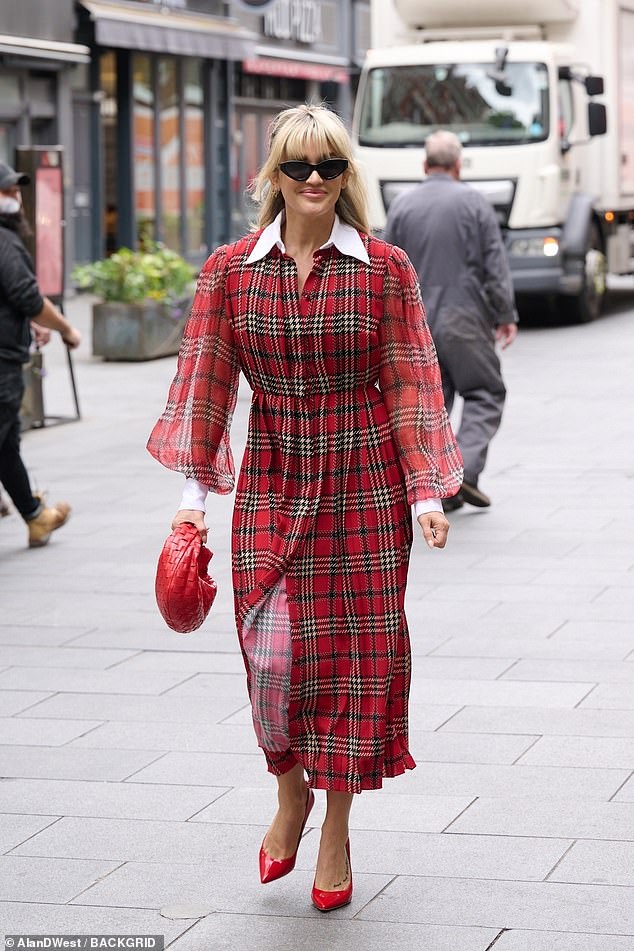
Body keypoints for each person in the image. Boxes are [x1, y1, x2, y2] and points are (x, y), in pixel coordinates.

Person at [147, 104, 463, 912]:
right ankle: (290, 791)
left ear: (348, 177)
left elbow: (412, 380)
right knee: (272, 661)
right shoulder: (230, 270)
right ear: (274, 179)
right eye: (298, 167)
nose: (315, 179)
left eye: (330, 166)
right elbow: (209, 384)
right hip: (274, 479)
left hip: (364, 486)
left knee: (352, 666)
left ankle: (334, 829)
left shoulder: (383, 268)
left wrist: (426, 490)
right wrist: (192, 504)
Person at [383, 129, 518, 510]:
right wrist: (505, 315)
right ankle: (463, 472)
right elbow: (495, 265)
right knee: (485, 392)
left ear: (425, 165)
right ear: (458, 166)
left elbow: (386, 266)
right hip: (467, 317)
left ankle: (435, 482)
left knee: (430, 402)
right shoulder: (476, 203)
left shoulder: (402, 205)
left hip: (415, 321)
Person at [0, 162, 81, 547]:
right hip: (1, 363)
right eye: (6, 192)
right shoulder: (4, 240)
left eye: (15, 191)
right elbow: (27, 296)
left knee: (7, 442)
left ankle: (35, 518)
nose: (14, 199)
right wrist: (64, 327)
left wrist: (28, 322)